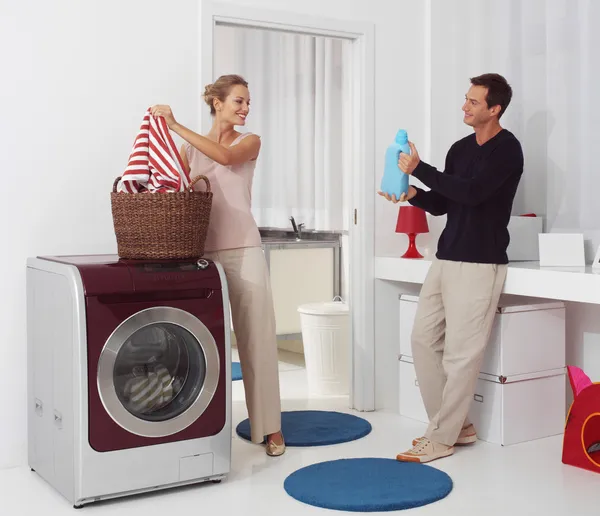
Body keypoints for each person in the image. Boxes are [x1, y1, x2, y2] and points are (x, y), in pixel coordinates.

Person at [379, 73, 524, 463]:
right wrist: (410, 192)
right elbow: (446, 202)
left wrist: (419, 167)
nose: (464, 106)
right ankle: (456, 427)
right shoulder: (460, 149)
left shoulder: (508, 150)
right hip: (446, 258)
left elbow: (474, 194)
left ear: (494, 109)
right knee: (422, 340)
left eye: (473, 102)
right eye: (466, 99)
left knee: (461, 354)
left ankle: (441, 438)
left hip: (481, 263)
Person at [150, 74, 285, 457]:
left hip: (244, 250)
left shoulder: (249, 142)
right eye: (238, 101)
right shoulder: (189, 152)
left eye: (247, 102)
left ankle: (270, 428)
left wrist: (175, 125)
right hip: (202, 257)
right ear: (217, 103)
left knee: (256, 340)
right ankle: (198, 425)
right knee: (201, 342)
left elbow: (225, 158)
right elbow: (173, 188)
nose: (245, 108)